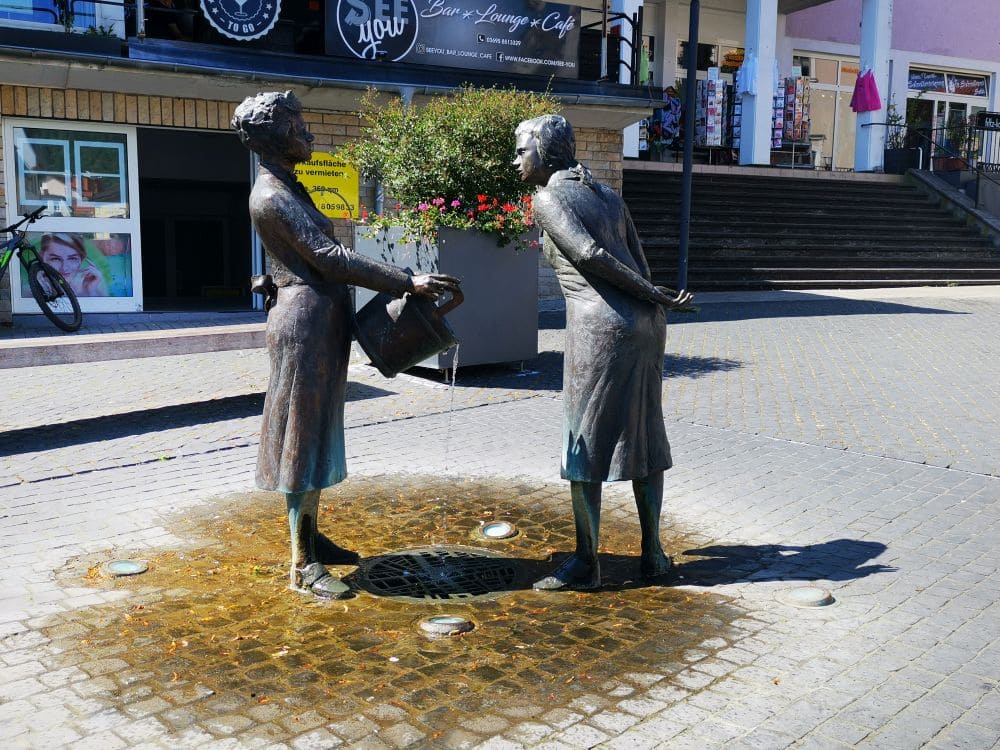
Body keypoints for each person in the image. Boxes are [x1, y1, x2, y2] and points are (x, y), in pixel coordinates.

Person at [232, 91, 459, 599]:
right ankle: (301, 565)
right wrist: (405, 280)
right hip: (305, 324)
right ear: (274, 137)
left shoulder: (288, 187)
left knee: (317, 433)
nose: (309, 134)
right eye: (298, 126)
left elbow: (304, 257)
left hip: (321, 319)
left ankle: (308, 533)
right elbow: (328, 257)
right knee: (300, 437)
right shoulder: (270, 195)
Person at [513, 114, 692, 590]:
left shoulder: (548, 198)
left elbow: (590, 255)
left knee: (584, 441)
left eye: (520, 150)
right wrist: (653, 300)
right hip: (647, 325)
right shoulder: (608, 194)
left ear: (545, 151)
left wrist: (651, 292)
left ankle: (586, 563)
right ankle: (652, 552)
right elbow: (639, 257)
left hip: (600, 328)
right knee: (646, 435)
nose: (516, 161)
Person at [39, 233, 109, 297]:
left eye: (72, 258)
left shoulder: (95, 282)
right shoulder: (34, 288)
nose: (64, 268)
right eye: (55, 259)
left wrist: (89, 291)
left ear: (81, 259)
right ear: (42, 257)